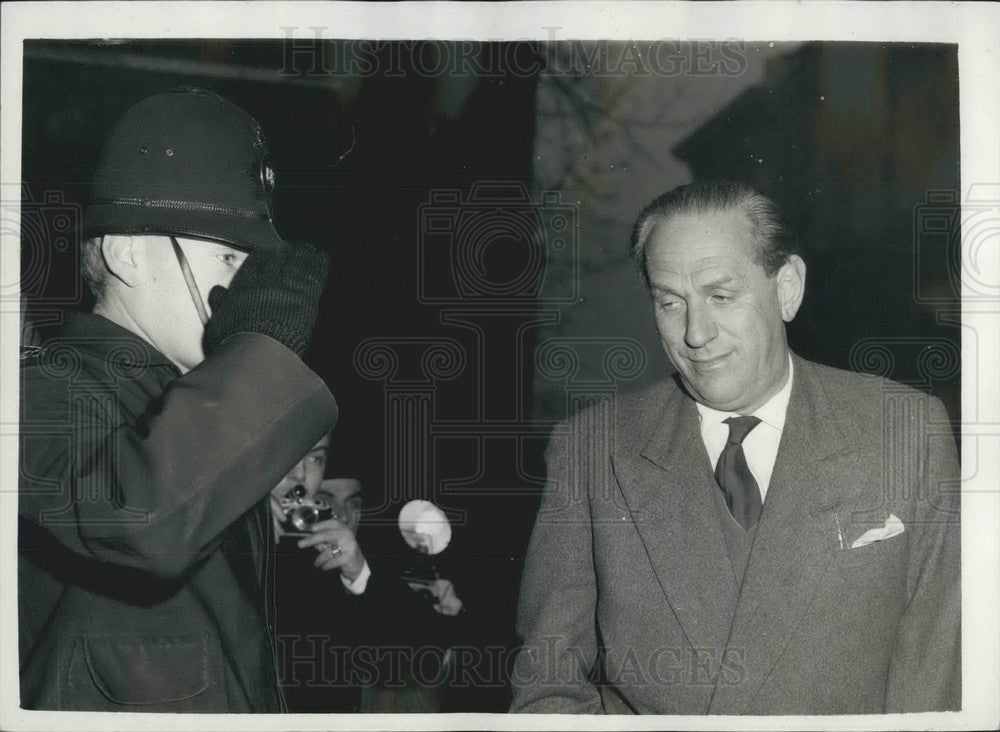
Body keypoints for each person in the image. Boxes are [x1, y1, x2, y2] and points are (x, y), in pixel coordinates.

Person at [511, 181, 960, 715]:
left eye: (721, 296)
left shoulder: (905, 432)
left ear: (787, 288)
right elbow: (547, 687)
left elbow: (937, 684)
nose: (695, 333)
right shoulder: (592, 451)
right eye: (670, 302)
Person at [18, 89, 337, 712]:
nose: (243, 284)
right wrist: (263, 347)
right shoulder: (37, 395)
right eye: (226, 254)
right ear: (127, 254)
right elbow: (141, 524)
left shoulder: (194, 411)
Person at [269, 435, 466, 712]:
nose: (343, 516)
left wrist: (358, 572)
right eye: (326, 501)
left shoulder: (352, 571)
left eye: (354, 504)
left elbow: (415, 662)